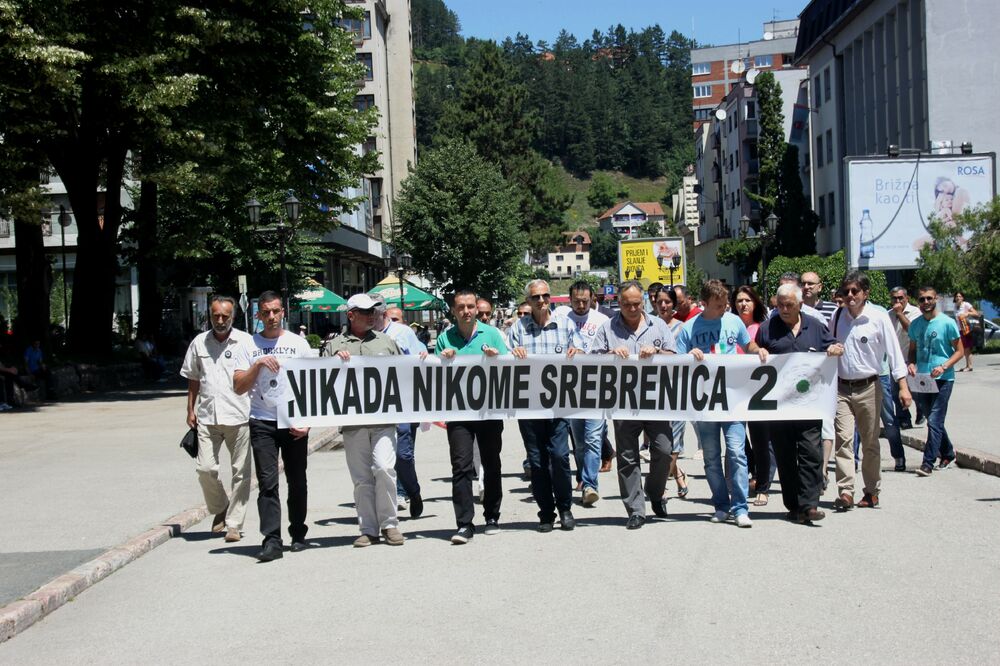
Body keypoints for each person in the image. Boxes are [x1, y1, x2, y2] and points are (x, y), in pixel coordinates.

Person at [233, 291, 312, 562]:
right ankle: (271, 540)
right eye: (266, 312)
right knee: (267, 483)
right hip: (262, 421)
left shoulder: (298, 344)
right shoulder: (249, 345)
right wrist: (257, 365)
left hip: (293, 421)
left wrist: (307, 423)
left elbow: (312, 385)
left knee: (297, 480)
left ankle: (298, 533)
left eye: (275, 311)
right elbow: (238, 386)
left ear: (283, 312)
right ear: (258, 314)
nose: (271, 317)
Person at [755, 283, 844, 523]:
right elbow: (755, 351)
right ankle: (793, 505)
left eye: (789, 305)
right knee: (785, 457)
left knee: (811, 453)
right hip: (780, 406)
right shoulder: (767, 328)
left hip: (810, 404)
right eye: (780, 305)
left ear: (800, 305)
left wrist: (835, 348)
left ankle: (809, 505)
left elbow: (833, 345)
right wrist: (758, 351)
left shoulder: (815, 326)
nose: (784, 309)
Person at [591, 281, 677, 529]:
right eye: (627, 304)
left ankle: (655, 492)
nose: (632, 308)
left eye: (636, 304)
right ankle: (636, 510)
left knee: (663, 450)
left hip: (656, 400)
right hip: (623, 401)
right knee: (627, 457)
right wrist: (610, 355)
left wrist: (657, 352)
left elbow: (674, 356)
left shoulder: (658, 325)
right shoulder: (607, 328)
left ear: (644, 302)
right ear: (619, 303)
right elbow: (592, 362)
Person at [676, 279, 760, 528]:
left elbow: (748, 344)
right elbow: (676, 362)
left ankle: (740, 507)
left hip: (732, 400)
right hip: (704, 403)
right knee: (711, 457)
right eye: (718, 305)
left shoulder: (734, 321)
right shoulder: (689, 328)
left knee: (737, 452)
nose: (724, 308)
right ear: (704, 303)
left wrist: (758, 350)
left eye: (725, 304)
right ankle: (721, 505)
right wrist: (688, 356)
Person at [325, 293, 406, 547]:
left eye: (374, 311)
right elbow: (320, 382)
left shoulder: (386, 342)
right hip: (353, 423)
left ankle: (390, 524)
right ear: (351, 315)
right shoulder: (334, 346)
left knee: (384, 468)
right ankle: (368, 529)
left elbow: (407, 371)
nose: (372, 315)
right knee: (361, 478)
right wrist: (334, 363)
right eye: (365, 311)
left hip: (384, 420)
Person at [830, 272, 911, 511]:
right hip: (841, 388)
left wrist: (903, 387)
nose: (850, 296)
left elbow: (894, 354)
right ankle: (846, 491)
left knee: (869, 442)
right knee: (843, 440)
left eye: (855, 291)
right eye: (846, 291)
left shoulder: (878, 318)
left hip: (869, 387)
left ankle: (872, 491)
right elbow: (827, 347)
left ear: (866, 293)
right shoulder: (837, 317)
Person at [507, 279, 583, 532]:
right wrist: (513, 355)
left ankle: (565, 508)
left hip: (559, 405)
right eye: (536, 297)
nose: (541, 301)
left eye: (545, 296)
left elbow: (582, 353)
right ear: (528, 301)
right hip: (529, 407)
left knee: (560, 457)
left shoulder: (565, 325)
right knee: (537, 461)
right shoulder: (518, 329)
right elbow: (504, 364)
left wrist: (577, 353)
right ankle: (546, 513)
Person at [436, 289, 509, 544]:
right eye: (461, 307)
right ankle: (464, 524)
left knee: (491, 463)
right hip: (459, 412)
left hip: (489, 410)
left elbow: (509, 368)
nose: (466, 311)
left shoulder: (492, 334)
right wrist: (442, 360)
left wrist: (496, 358)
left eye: (470, 306)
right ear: (453, 311)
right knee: (461, 466)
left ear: (477, 309)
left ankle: (492, 516)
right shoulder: (445, 338)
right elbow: (435, 377)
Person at [180, 296, 253, 543]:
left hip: (238, 414)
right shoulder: (199, 343)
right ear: (210, 316)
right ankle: (221, 505)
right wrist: (190, 409)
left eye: (225, 316)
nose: (220, 320)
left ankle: (234, 524)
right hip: (207, 416)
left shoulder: (245, 342)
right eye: (216, 316)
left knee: (241, 473)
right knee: (205, 469)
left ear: (233, 316)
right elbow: (193, 377)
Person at [554, 281, 609, 507]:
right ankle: (583, 476)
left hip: (596, 386)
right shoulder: (560, 320)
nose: (581, 305)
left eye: (585, 301)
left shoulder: (602, 321)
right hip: (571, 388)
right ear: (569, 299)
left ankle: (590, 485)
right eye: (576, 301)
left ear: (592, 299)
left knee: (594, 438)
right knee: (579, 442)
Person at [908, 287, 964, 477]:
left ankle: (927, 463)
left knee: (934, 420)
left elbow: (960, 351)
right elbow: (912, 349)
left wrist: (944, 366)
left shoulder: (947, 323)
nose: (926, 302)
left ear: (936, 299)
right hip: (923, 379)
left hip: (943, 378)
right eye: (922, 299)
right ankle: (948, 453)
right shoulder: (916, 324)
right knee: (933, 420)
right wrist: (911, 363)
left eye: (929, 298)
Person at [378, 302, 426, 519]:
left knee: (403, 455)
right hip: (375, 406)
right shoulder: (361, 334)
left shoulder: (403, 333)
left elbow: (420, 359)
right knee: (378, 460)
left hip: (403, 403)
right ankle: (386, 502)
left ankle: (412, 491)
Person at [732, 285, 774, 506]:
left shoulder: (764, 328)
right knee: (738, 439)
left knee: (760, 439)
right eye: (739, 300)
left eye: (747, 300)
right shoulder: (729, 326)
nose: (743, 304)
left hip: (758, 390)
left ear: (755, 303)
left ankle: (763, 486)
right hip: (734, 389)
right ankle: (752, 472)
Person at [653, 286, 688, 498]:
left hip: (677, 389)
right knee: (661, 442)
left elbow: (683, 356)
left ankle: (660, 486)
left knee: (674, 439)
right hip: (654, 390)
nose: (663, 305)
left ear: (673, 304)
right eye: (660, 302)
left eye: (667, 301)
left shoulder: (683, 328)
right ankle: (678, 475)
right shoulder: (648, 326)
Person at [888, 286, 922, 457]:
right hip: (896, 359)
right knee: (896, 391)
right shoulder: (888, 315)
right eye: (894, 298)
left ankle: (921, 410)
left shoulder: (915, 312)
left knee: (915, 390)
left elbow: (912, 330)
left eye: (900, 298)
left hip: (912, 357)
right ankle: (904, 418)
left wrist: (900, 314)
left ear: (906, 298)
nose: (897, 301)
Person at [952, 291, 977, 372]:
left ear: (962, 298)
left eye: (960, 296)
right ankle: (967, 365)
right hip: (959, 329)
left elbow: (976, 313)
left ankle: (970, 366)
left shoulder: (966, 304)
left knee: (967, 347)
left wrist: (967, 313)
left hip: (966, 329)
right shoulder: (955, 306)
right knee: (964, 348)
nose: (958, 298)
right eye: (957, 296)